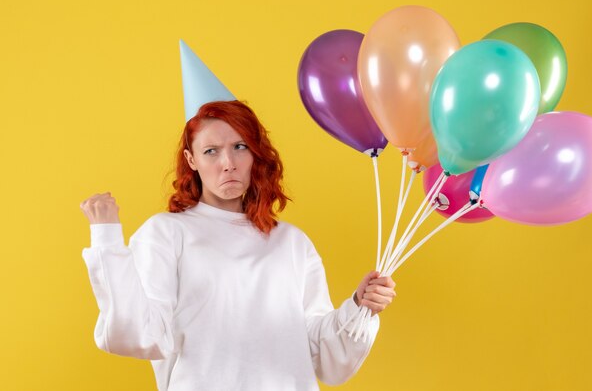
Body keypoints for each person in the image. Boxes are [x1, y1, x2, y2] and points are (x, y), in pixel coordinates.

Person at [81, 100, 396, 391]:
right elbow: (142, 333)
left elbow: (323, 356)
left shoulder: (291, 242)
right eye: (211, 151)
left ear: (255, 154)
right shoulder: (167, 233)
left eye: (239, 147)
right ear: (191, 159)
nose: (228, 163)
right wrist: (106, 237)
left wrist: (359, 306)